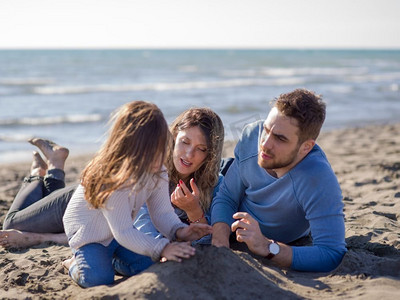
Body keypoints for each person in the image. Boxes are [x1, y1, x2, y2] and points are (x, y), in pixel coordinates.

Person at [0, 107, 225, 249]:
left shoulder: (215, 185)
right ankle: (40, 174)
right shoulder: (152, 167)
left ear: (211, 154)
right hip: (87, 199)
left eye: (201, 149)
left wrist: (195, 213)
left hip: (104, 223)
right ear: (173, 137)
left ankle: (55, 165)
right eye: (185, 142)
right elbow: (130, 232)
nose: (188, 154)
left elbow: (211, 243)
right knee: (11, 223)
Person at [61, 101, 212, 288]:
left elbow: (162, 213)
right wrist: (163, 247)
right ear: (132, 149)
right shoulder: (112, 180)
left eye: (163, 149)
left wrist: (179, 231)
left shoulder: (157, 171)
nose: (160, 158)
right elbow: (124, 231)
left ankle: (108, 259)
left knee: (150, 265)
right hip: (90, 235)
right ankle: (75, 263)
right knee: (98, 279)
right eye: (153, 152)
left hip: (118, 235)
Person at [211, 88, 347, 272]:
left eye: (280, 139)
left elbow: (331, 252)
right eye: (266, 130)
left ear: (306, 147)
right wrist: (220, 243)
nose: (265, 144)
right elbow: (227, 196)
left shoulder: (317, 178)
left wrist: (266, 247)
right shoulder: (252, 135)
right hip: (226, 173)